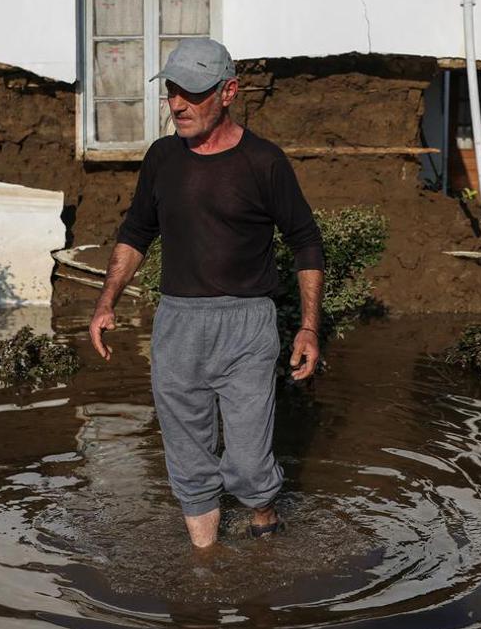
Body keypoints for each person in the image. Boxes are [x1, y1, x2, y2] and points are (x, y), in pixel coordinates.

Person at [87, 37, 325, 549]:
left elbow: (305, 240)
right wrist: (107, 301)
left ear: (228, 92)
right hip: (177, 324)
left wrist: (308, 327)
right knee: (188, 460)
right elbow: (135, 232)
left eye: (192, 93)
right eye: (172, 90)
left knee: (248, 462)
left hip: (246, 324)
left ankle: (264, 524)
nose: (178, 104)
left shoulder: (264, 162)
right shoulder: (161, 158)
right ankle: (205, 570)